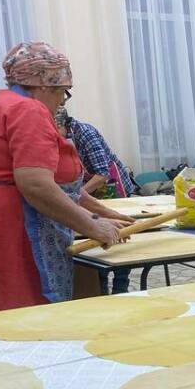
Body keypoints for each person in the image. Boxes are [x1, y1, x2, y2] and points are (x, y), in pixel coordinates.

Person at [0, 41, 128, 314]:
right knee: (29, 316)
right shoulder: (28, 110)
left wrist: (99, 215)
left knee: (3, 315)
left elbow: (57, 184)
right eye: (62, 91)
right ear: (42, 86)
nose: (62, 101)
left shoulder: (1, 104)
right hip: (16, 228)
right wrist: (93, 227)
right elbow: (36, 185)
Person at [62, 113, 138, 294]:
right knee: (97, 237)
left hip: (113, 188)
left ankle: (120, 287)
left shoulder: (85, 134)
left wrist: (75, 197)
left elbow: (103, 174)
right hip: (89, 194)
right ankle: (100, 286)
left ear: (65, 126)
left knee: (119, 235)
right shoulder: (60, 137)